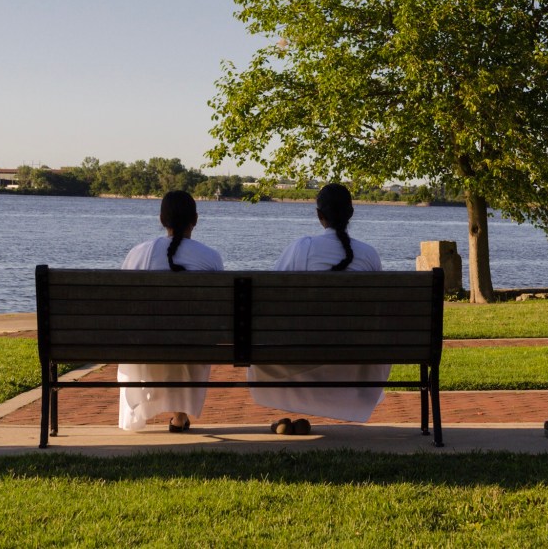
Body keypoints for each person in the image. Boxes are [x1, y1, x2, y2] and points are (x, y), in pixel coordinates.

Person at [249, 183, 384, 432]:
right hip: (355, 355)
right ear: (351, 214)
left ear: (319, 215)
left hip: (303, 350)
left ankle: (290, 413)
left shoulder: (303, 247)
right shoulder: (369, 254)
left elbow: (270, 293)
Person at [117, 190, 224, 432]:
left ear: (161, 220)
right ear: (195, 220)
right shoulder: (210, 257)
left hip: (141, 345)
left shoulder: (138, 253)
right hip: (193, 345)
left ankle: (140, 414)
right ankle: (180, 415)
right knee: (189, 333)